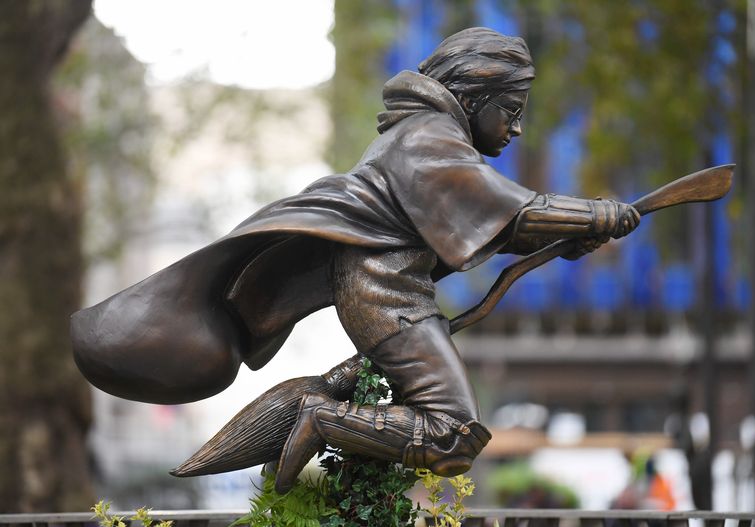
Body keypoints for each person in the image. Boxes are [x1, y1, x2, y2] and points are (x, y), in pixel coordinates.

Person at [71, 27, 639, 493]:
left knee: (442, 433)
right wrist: (596, 214)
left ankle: (329, 437)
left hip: (387, 291)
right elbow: (512, 210)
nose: (516, 128)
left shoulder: (427, 138)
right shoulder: (427, 138)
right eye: (509, 110)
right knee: (451, 434)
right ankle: (323, 417)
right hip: (385, 294)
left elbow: (489, 221)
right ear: (470, 98)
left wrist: (567, 233)